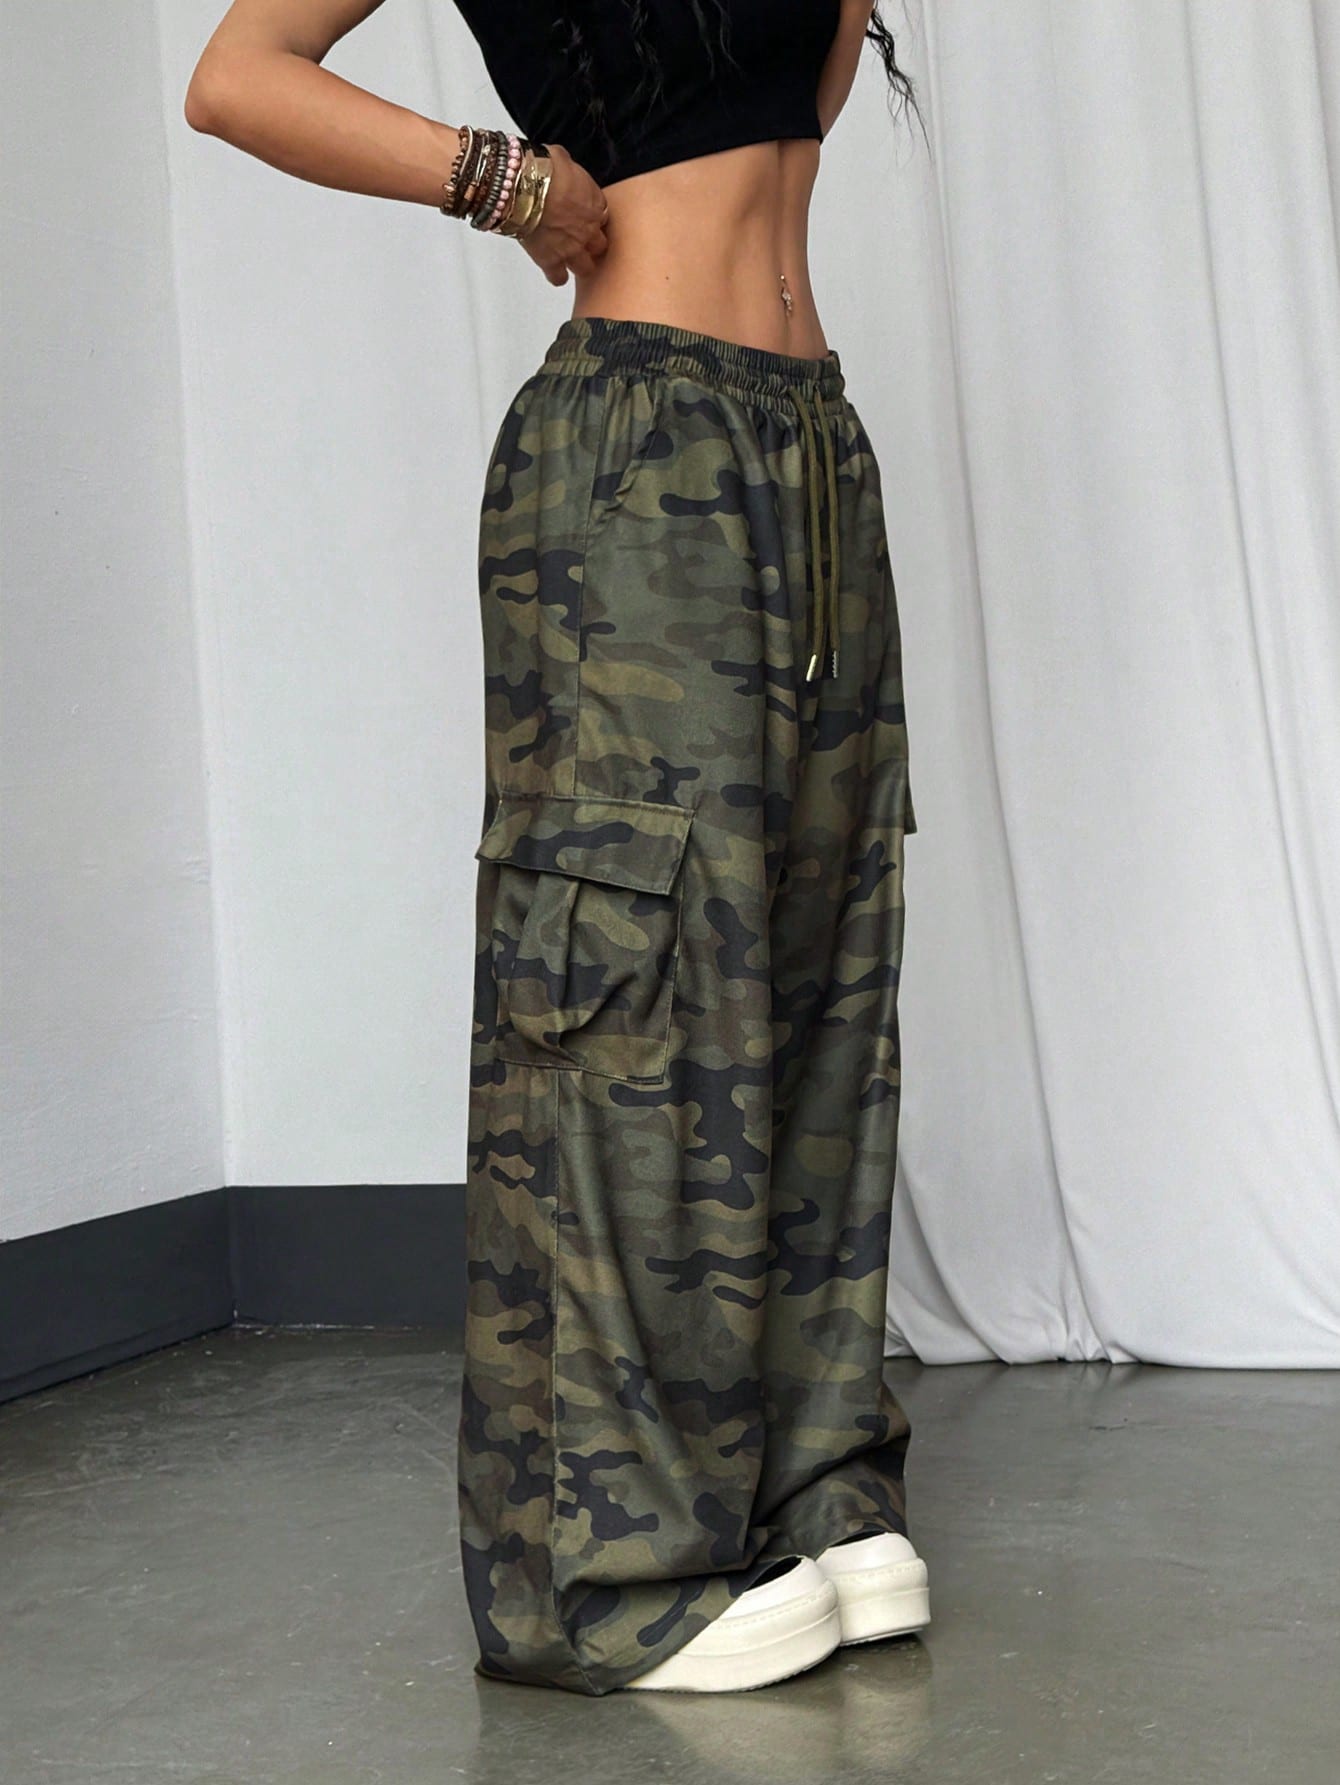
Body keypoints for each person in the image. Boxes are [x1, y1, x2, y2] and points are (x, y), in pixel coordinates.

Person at [186, 0, 927, 1698]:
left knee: (822, 948)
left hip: (809, 440)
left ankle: (810, 1484)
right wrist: (499, 178)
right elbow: (237, 78)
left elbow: (801, 99)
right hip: (636, 448)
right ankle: (607, 1566)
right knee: (637, 986)